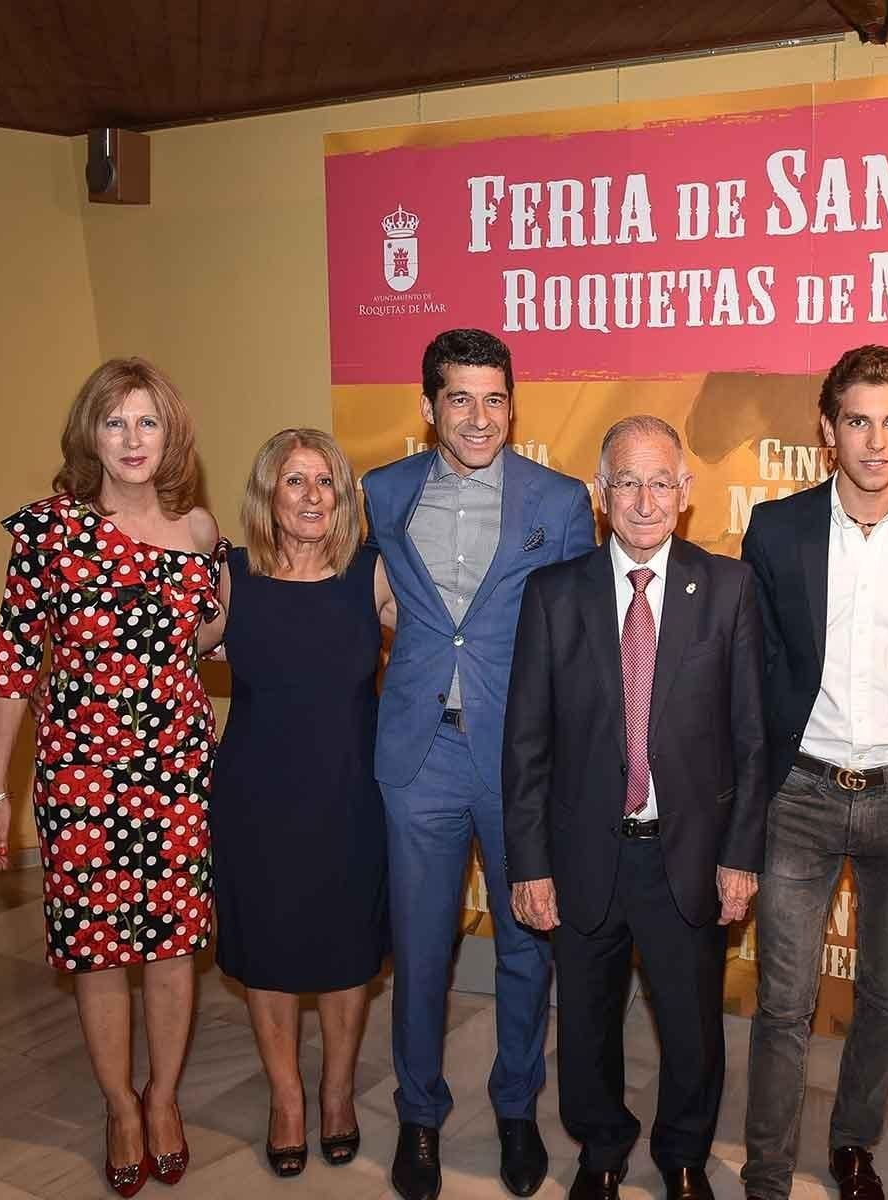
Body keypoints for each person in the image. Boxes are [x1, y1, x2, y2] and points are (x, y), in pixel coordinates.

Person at [0, 358, 224, 1196]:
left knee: (172, 949)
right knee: (97, 951)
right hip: (81, 771)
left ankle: (164, 1099)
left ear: (171, 434)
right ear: (90, 432)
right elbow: (12, 663)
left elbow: (210, 633)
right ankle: (120, 1105)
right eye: (114, 422)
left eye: (147, 422)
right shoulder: (49, 529)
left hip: (178, 770)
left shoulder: (196, 528)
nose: (131, 439)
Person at [504, 416, 767, 1200]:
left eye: (660, 482)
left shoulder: (728, 588)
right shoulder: (553, 594)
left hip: (685, 854)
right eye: (627, 480)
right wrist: (529, 865)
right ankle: (602, 1150)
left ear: (686, 493)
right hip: (586, 852)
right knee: (585, 1024)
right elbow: (525, 744)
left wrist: (741, 854)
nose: (644, 500)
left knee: (691, 1026)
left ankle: (684, 1154)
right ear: (599, 493)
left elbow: (752, 739)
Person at [740, 345, 888, 1200]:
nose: (875, 441)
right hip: (800, 795)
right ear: (826, 429)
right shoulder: (777, 529)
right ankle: (766, 1170)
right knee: (783, 1001)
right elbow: (756, 670)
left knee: (885, 997)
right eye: (856, 420)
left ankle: (852, 1146)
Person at [363, 328, 596, 1200]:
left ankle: (515, 1109)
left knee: (527, 941)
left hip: (522, 759)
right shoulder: (381, 493)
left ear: (512, 405)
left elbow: (581, 640)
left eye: (494, 398)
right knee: (419, 948)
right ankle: (419, 1116)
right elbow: (355, 595)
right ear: (428, 407)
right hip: (418, 753)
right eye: (459, 397)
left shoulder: (561, 501)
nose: (478, 416)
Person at [206, 428, 398, 1177]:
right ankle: (288, 1100)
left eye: (327, 482)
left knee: (349, 955)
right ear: (268, 495)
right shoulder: (231, 577)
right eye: (296, 481)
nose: (313, 496)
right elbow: (158, 651)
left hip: (352, 793)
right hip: (256, 798)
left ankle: (338, 1092)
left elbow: (442, 652)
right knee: (270, 956)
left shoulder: (372, 575)